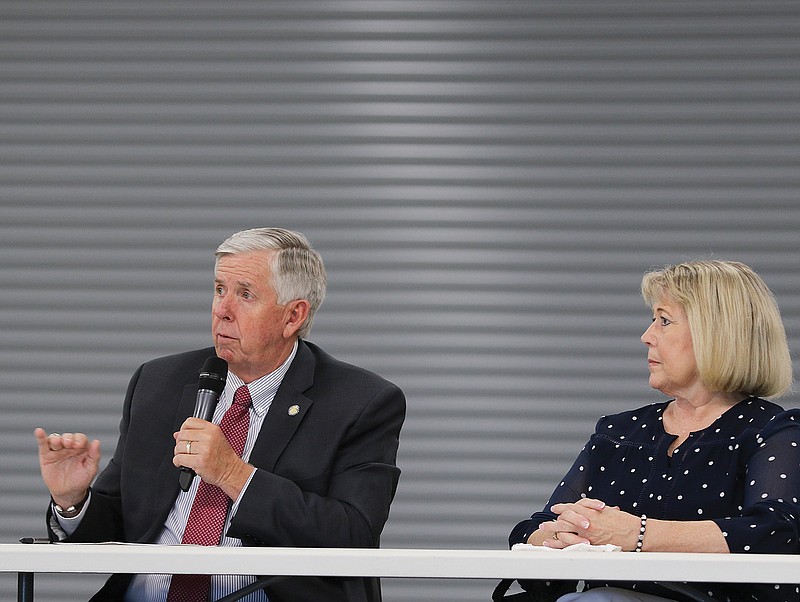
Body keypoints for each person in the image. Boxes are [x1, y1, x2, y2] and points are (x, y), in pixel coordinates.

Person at [34, 227, 406, 602]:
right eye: (219, 290)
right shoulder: (159, 381)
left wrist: (233, 475)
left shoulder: (360, 402)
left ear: (293, 316)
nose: (222, 310)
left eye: (245, 294)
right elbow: (120, 522)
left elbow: (353, 533)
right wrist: (73, 501)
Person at [508, 260, 799, 602]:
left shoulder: (772, 430)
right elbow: (533, 527)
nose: (647, 337)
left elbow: (777, 533)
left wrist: (637, 534)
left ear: (715, 333)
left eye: (664, 321)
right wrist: (559, 536)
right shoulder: (618, 432)